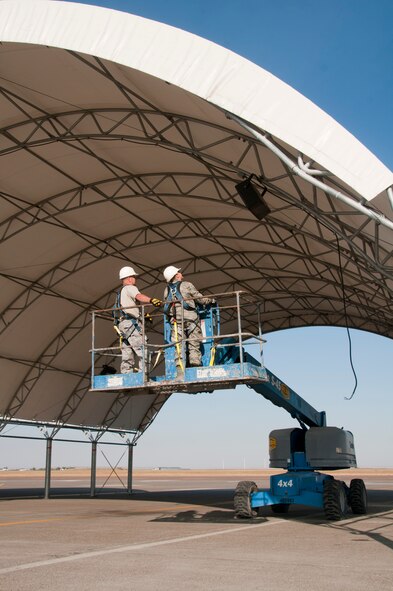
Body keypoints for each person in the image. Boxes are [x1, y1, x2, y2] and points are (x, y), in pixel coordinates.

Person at [163, 266, 214, 373]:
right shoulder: (187, 285)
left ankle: (179, 368)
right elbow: (199, 298)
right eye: (179, 272)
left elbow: (166, 307)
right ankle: (195, 365)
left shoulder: (166, 290)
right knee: (193, 342)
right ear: (176, 275)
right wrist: (210, 300)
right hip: (191, 319)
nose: (182, 274)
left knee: (178, 345)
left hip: (176, 322)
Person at [116, 266, 162, 374]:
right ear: (130, 278)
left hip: (123, 325)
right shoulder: (130, 287)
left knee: (127, 353)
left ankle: (126, 375)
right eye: (134, 277)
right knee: (143, 351)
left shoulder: (121, 293)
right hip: (131, 324)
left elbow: (128, 308)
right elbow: (139, 296)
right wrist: (151, 300)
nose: (135, 279)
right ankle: (143, 376)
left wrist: (142, 316)